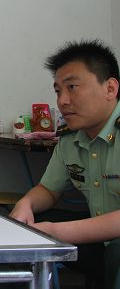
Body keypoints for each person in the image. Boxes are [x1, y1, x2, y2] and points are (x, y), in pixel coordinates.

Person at [10, 39, 120, 289]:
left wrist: (57, 232)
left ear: (110, 88)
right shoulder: (71, 138)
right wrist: (25, 204)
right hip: (99, 240)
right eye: (58, 91)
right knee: (22, 227)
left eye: (72, 87)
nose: (62, 101)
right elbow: (49, 190)